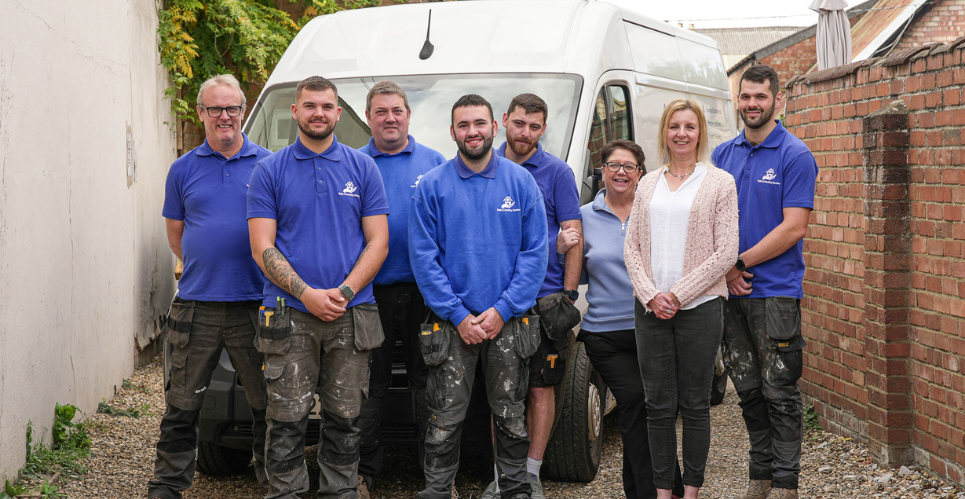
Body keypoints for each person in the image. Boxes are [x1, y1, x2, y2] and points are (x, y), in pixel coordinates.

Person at [247, 76, 389, 499]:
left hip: (352, 312)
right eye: (310, 106)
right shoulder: (268, 170)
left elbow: (378, 241)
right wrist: (307, 294)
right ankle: (285, 493)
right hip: (288, 314)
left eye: (327, 106)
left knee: (346, 417)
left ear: (339, 114)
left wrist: (343, 293)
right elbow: (261, 247)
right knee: (287, 418)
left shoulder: (363, 168)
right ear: (295, 112)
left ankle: (339, 492)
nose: (318, 113)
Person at [409, 94, 548, 499]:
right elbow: (424, 258)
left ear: (494, 127)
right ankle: (437, 491)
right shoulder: (432, 186)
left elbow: (534, 254)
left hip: (507, 322)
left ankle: (514, 490)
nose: (472, 132)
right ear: (452, 132)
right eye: (464, 125)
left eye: (479, 123)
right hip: (451, 325)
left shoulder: (521, 183)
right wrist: (457, 315)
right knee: (444, 420)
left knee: (510, 416)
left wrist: (502, 310)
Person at [149, 74, 272, 499]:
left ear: (243, 110)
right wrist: (209, 263)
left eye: (232, 108)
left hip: (257, 305)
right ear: (200, 113)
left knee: (267, 407)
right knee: (182, 407)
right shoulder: (182, 169)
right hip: (198, 305)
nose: (225, 116)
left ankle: (273, 485)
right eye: (215, 108)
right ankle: (167, 487)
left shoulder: (268, 164)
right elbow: (176, 235)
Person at [556, 140, 685, 499]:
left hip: (652, 330)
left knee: (651, 409)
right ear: (602, 171)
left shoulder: (657, 213)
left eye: (629, 166)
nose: (621, 172)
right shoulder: (583, 216)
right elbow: (575, 276)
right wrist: (560, 248)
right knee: (636, 401)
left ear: (641, 174)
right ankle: (659, 489)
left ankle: (659, 488)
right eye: (613, 165)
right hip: (604, 334)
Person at [711, 65, 817, 499]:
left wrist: (737, 263)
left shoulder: (795, 155)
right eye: (746, 97)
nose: (752, 104)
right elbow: (709, 222)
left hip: (774, 293)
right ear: (737, 101)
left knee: (780, 389)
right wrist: (725, 272)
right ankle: (760, 477)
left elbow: (793, 228)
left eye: (760, 97)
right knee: (748, 390)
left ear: (778, 101)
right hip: (728, 293)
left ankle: (787, 483)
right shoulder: (721, 155)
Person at [624, 100, 739, 499]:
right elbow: (632, 248)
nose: (682, 134)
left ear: (700, 132)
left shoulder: (720, 183)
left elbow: (726, 251)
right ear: (665, 132)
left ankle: (690, 491)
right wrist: (652, 294)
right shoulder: (647, 183)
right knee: (657, 405)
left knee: (693, 404)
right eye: (674, 126)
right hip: (651, 309)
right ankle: (662, 492)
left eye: (690, 126)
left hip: (700, 309)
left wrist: (677, 293)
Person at [483, 93, 582, 499]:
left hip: (544, 302)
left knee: (541, 388)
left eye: (534, 126)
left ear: (544, 129)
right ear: (504, 121)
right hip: (496, 301)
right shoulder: (485, 167)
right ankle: (505, 476)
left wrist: (569, 296)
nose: (525, 133)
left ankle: (532, 473)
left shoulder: (557, 173)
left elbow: (574, 237)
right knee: (503, 391)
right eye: (519, 123)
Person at [356, 81, 446, 499]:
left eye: (396, 111)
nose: (389, 118)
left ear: (408, 115)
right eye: (380, 112)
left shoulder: (435, 163)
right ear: (368, 117)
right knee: (368, 386)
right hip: (370, 296)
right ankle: (363, 474)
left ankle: (434, 477)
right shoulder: (354, 164)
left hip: (426, 295)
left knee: (427, 382)